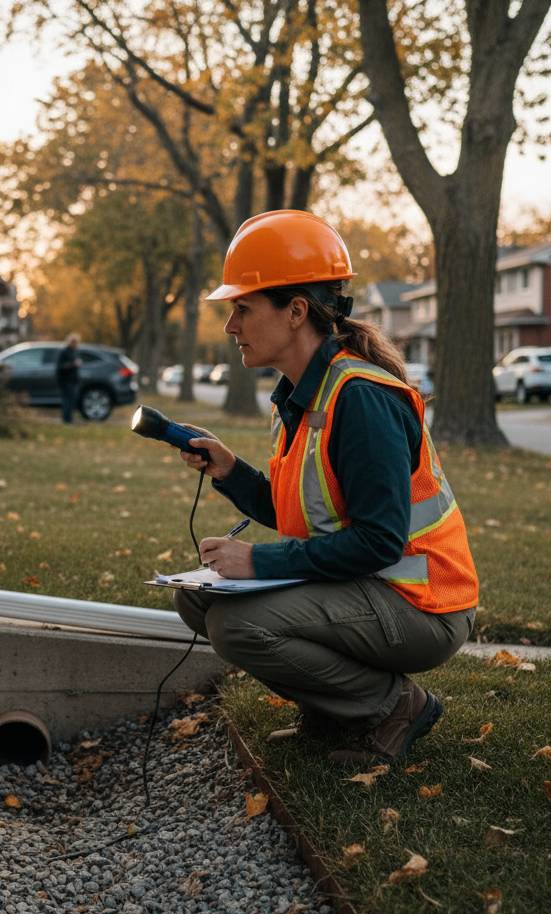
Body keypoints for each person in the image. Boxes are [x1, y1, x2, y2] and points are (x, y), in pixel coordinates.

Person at [174, 210, 478, 764]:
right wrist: (231, 473)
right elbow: (303, 513)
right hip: (367, 586)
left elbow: (379, 542)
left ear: (295, 312)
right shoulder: (299, 395)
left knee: (237, 624)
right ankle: (336, 711)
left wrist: (259, 564)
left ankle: (393, 706)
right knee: (198, 599)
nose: (230, 325)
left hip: (424, 605)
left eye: (242, 307)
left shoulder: (359, 398)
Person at [56, 333, 83, 424]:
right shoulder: (64, 352)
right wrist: (73, 364)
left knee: (72, 400)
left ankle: (70, 418)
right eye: (74, 342)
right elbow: (61, 366)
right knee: (67, 400)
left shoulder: (75, 352)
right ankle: (66, 419)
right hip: (66, 380)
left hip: (73, 380)